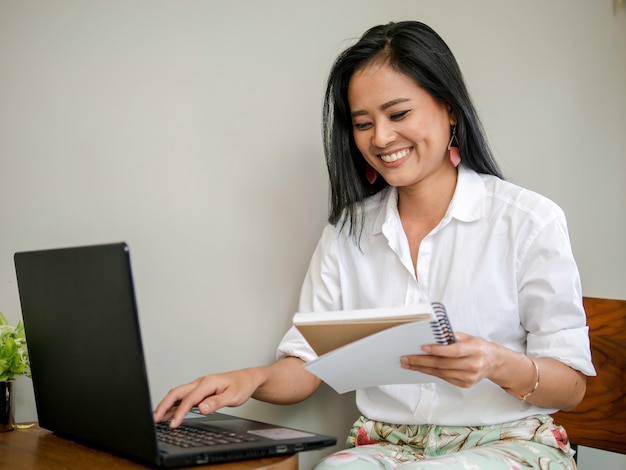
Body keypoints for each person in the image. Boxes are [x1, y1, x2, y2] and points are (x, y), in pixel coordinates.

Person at [154, 21, 595, 469]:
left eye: (398, 114)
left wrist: (499, 364)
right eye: (363, 123)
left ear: (450, 110)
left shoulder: (529, 221)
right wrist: (247, 380)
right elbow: (307, 365)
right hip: (386, 447)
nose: (380, 139)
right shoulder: (348, 232)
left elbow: (573, 387)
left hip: (507, 444)